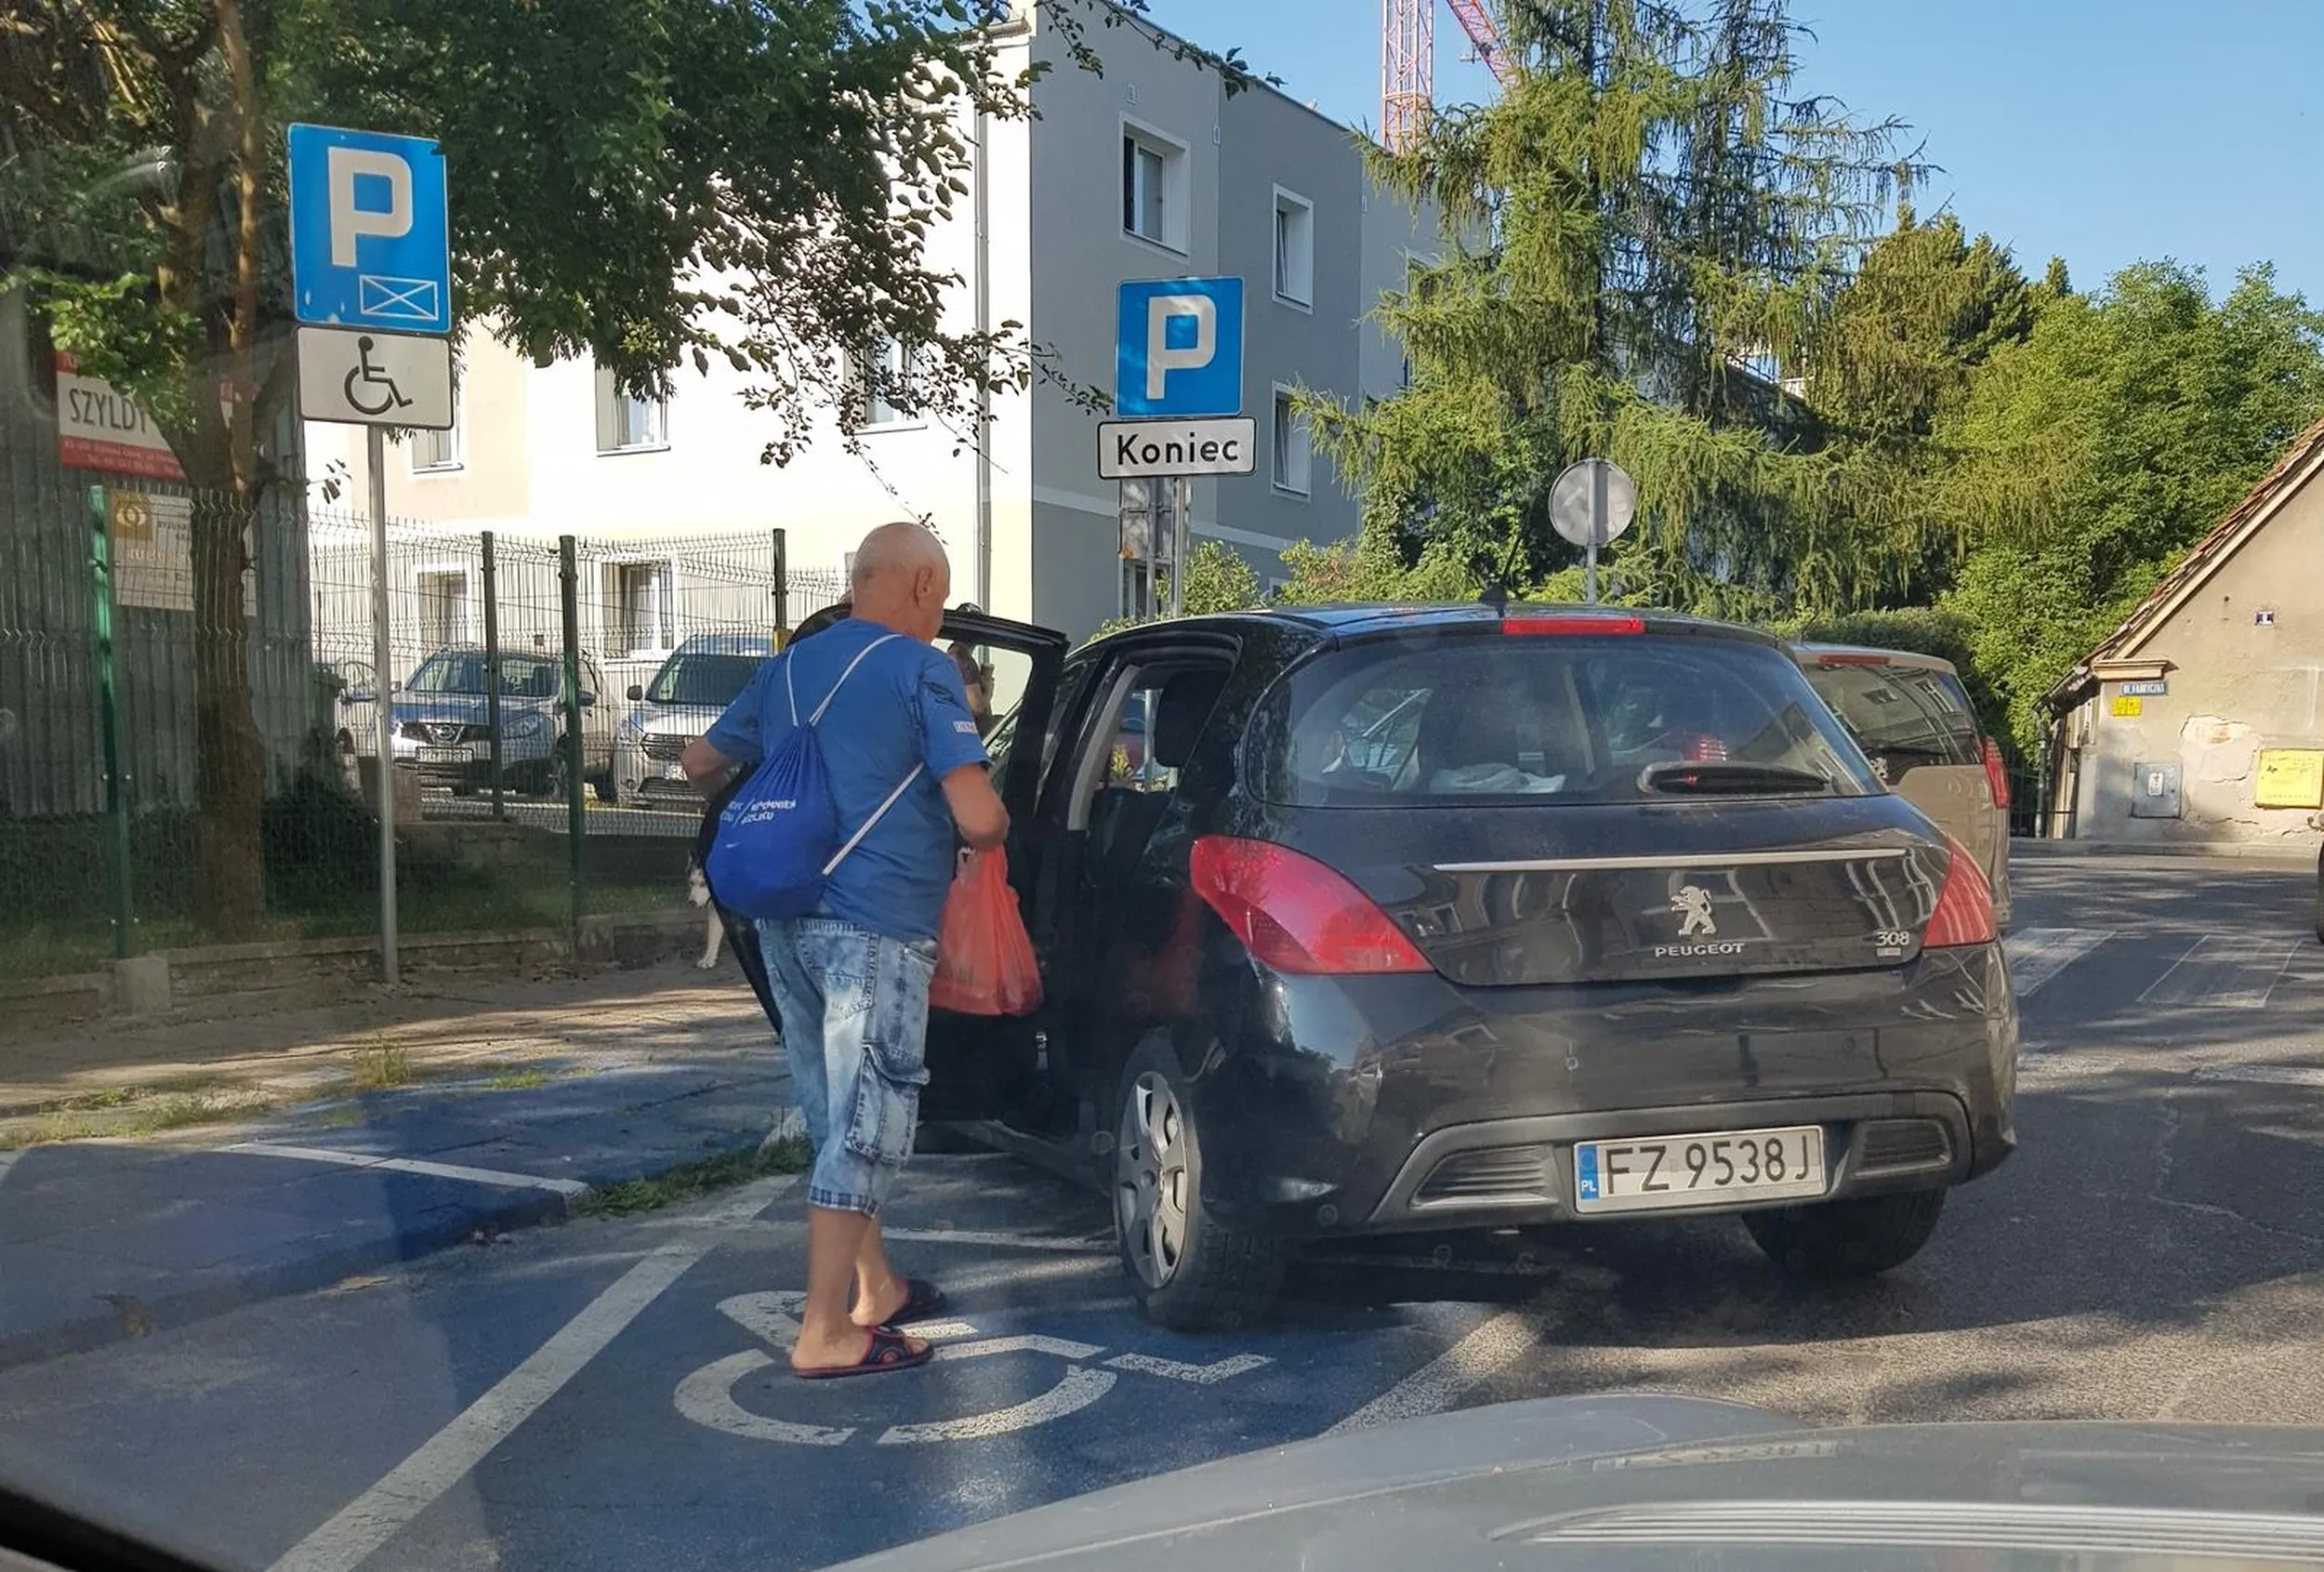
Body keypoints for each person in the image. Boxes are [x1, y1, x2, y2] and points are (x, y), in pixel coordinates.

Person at [682, 522, 1007, 1379]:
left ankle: (878, 1288)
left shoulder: (789, 667)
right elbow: (977, 815)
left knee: (835, 1113)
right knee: (869, 1126)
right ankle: (824, 1329)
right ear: (926, 584)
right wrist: (995, 819)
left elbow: (697, 760)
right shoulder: (924, 670)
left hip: (786, 919)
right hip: (876, 923)